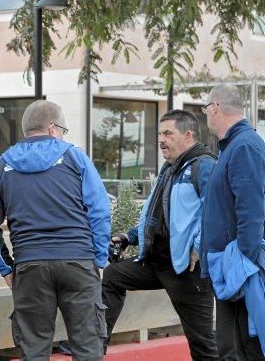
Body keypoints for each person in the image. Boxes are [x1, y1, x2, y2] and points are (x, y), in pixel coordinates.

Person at [0, 100, 111, 360]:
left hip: (30, 265)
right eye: (63, 129)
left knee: (34, 349)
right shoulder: (75, 158)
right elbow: (99, 211)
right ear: (52, 128)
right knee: (88, 346)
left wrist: (6, 267)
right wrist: (98, 258)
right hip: (78, 261)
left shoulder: (0, 166)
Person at [102, 110, 219, 360]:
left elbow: (215, 214)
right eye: (160, 133)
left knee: (202, 344)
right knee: (112, 276)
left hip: (187, 270)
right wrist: (129, 236)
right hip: (155, 263)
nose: (161, 139)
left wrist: (198, 248)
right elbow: (156, 215)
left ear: (188, 135)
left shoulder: (204, 166)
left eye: (168, 133)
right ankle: (92, 346)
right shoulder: (170, 168)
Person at [202, 84, 265, 360]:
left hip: (238, 271)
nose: (206, 113)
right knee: (231, 349)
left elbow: (251, 212)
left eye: (206, 107)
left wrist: (242, 266)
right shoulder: (236, 146)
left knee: (240, 350)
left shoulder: (244, 146)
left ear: (215, 107)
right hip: (231, 268)